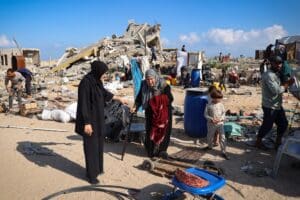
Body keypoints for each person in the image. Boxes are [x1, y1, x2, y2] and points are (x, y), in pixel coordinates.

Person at [75, 60, 127, 184]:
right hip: (89, 120)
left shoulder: (96, 81)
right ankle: (91, 175)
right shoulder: (85, 83)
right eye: (103, 72)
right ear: (97, 71)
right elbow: (83, 104)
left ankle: (97, 170)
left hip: (98, 119)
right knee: (91, 147)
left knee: (98, 145)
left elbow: (104, 93)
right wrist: (86, 123)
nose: (104, 75)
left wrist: (118, 98)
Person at [132, 69, 174, 158]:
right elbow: (139, 97)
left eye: (151, 79)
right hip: (150, 112)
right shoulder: (144, 85)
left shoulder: (164, 85)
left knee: (163, 131)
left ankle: (162, 151)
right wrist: (135, 106)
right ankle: (151, 151)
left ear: (155, 77)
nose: (150, 82)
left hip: (163, 113)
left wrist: (158, 98)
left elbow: (170, 99)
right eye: (148, 79)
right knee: (150, 130)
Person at [255, 56, 294, 150]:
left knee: (283, 124)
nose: (279, 65)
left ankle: (278, 142)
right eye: (276, 63)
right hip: (270, 106)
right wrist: (287, 84)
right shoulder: (269, 75)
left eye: (280, 63)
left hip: (277, 105)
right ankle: (258, 142)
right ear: (271, 63)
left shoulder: (276, 73)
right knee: (267, 125)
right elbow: (276, 90)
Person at [204, 89, 229, 160]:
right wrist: (211, 119)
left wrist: (221, 119)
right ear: (213, 98)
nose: (219, 100)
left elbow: (224, 113)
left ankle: (223, 151)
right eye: (218, 98)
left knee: (223, 137)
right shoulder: (208, 105)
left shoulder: (221, 105)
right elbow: (205, 114)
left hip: (220, 124)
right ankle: (209, 146)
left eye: (220, 98)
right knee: (210, 136)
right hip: (211, 124)